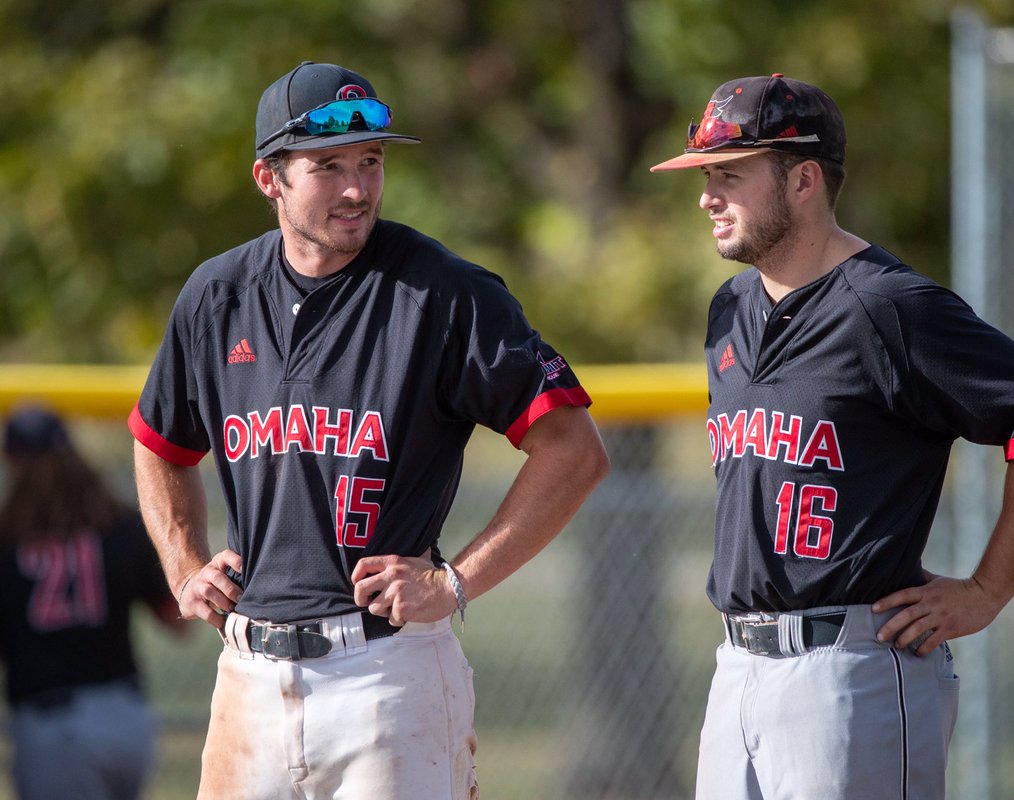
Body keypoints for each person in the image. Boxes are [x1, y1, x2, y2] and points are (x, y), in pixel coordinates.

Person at [128, 61, 608, 799]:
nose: (357, 188)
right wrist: (183, 564)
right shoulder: (216, 296)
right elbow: (159, 446)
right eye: (327, 166)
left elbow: (573, 449)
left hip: (387, 673)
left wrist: (457, 581)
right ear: (270, 179)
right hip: (249, 670)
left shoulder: (443, 292)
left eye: (371, 161)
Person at [651, 74, 1014, 800]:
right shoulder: (730, 308)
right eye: (707, 176)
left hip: (848, 671)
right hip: (736, 667)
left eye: (730, 175)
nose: (708, 196)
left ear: (802, 180)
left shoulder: (890, 306)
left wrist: (986, 591)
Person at [0, 405, 185, 800]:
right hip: (127, 719)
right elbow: (176, 620)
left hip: (52, 726)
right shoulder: (118, 524)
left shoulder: (7, 541)